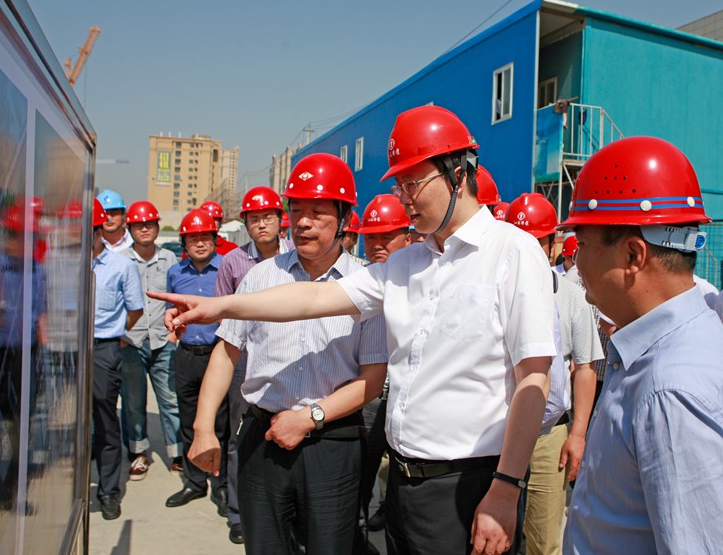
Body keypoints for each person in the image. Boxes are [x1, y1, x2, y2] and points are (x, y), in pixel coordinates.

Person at [153, 106, 556, 555]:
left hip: (471, 485)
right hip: (404, 485)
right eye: (399, 186)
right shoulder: (407, 263)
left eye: (412, 184)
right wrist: (220, 306)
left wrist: (506, 486)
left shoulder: (512, 253)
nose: (404, 199)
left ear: (458, 174)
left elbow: (534, 379)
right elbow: (312, 299)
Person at [182, 153, 388, 554]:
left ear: (344, 218)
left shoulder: (367, 285)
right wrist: (204, 427)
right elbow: (226, 354)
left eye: (318, 212)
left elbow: (372, 379)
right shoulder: (261, 277)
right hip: (263, 438)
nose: (303, 222)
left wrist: (310, 418)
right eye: (296, 211)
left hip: (332, 443)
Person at [560, 136, 723, 553]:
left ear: (634, 255)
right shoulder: (667, 349)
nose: (575, 260)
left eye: (582, 243)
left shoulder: (669, 391)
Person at [505, 193, 603, 555]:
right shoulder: (496, 292)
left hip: (549, 437)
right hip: (498, 432)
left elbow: (585, 368)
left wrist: (577, 434)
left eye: (537, 241)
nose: (528, 250)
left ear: (551, 245)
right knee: (494, 533)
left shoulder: (572, 297)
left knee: (544, 537)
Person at [214, 186, 293, 545]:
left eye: (267, 217)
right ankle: (238, 512)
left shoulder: (296, 255)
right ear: (245, 223)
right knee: (239, 433)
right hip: (245, 356)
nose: (261, 224)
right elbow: (223, 313)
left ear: (280, 220)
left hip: (287, 353)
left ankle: (282, 508)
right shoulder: (232, 262)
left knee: (283, 429)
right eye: (254, 219)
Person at [164, 209, 229, 515]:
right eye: (193, 238)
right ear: (184, 244)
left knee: (220, 423)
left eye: (205, 237)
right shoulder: (175, 273)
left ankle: (221, 484)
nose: (200, 243)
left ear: (215, 239)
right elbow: (172, 310)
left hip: (219, 356)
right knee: (189, 421)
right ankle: (194, 481)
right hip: (187, 354)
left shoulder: (227, 268)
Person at [358, 193, 412, 549]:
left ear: (407, 237)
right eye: (371, 237)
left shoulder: (422, 280)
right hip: (367, 398)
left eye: (387, 236)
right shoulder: (358, 281)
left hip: (407, 401)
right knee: (359, 482)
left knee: (403, 491)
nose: (377, 244)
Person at [119, 200, 182, 482]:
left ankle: (177, 453)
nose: (144, 229)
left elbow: (178, 298)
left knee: (170, 399)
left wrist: (173, 333)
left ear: (157, 227)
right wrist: (119, 336)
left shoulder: (169, 259)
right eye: (138, 225)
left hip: (162, 340)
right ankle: (138, 453)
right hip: (130, 343)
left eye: (149, 224)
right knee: (133, 402)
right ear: (130, 229)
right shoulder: (121, 260)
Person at [90, 198, 144, 520]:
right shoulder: (62, 260)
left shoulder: (121, 266)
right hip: (67, 348)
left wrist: (117, 335)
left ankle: (109, 491)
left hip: (104, 348)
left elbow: (135, 308)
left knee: (105, 419)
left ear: (99, 232)